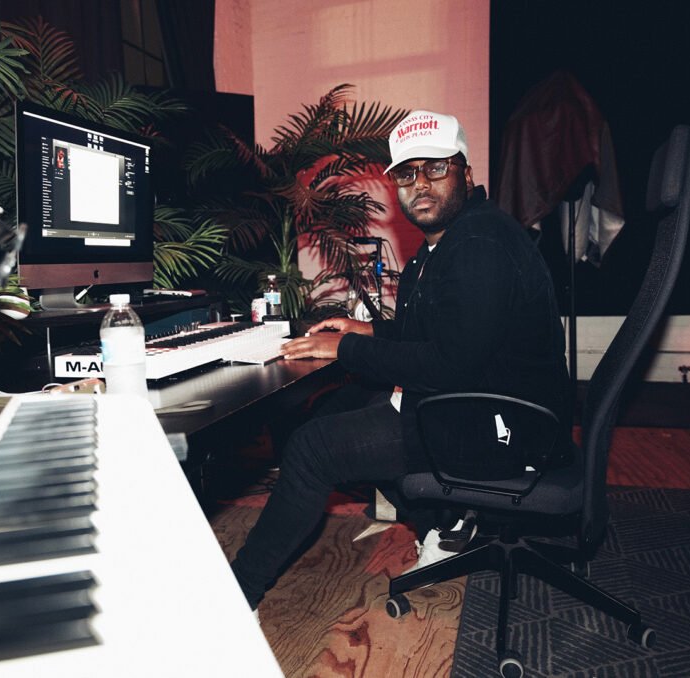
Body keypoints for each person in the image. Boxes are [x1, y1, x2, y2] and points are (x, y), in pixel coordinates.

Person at [229, 110, 572, 613]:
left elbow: (449, 364)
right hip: (481, 402)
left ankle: (237, 594)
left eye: (436, 168)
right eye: (407, 173)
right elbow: (438, 336)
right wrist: (365, 331)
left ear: (466, 173)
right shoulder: (449, 243)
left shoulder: (479, 245)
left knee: (312, 449)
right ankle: (444, 524)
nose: (421, 183)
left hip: (508, 428)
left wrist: (344, 349)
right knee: (343, 405)